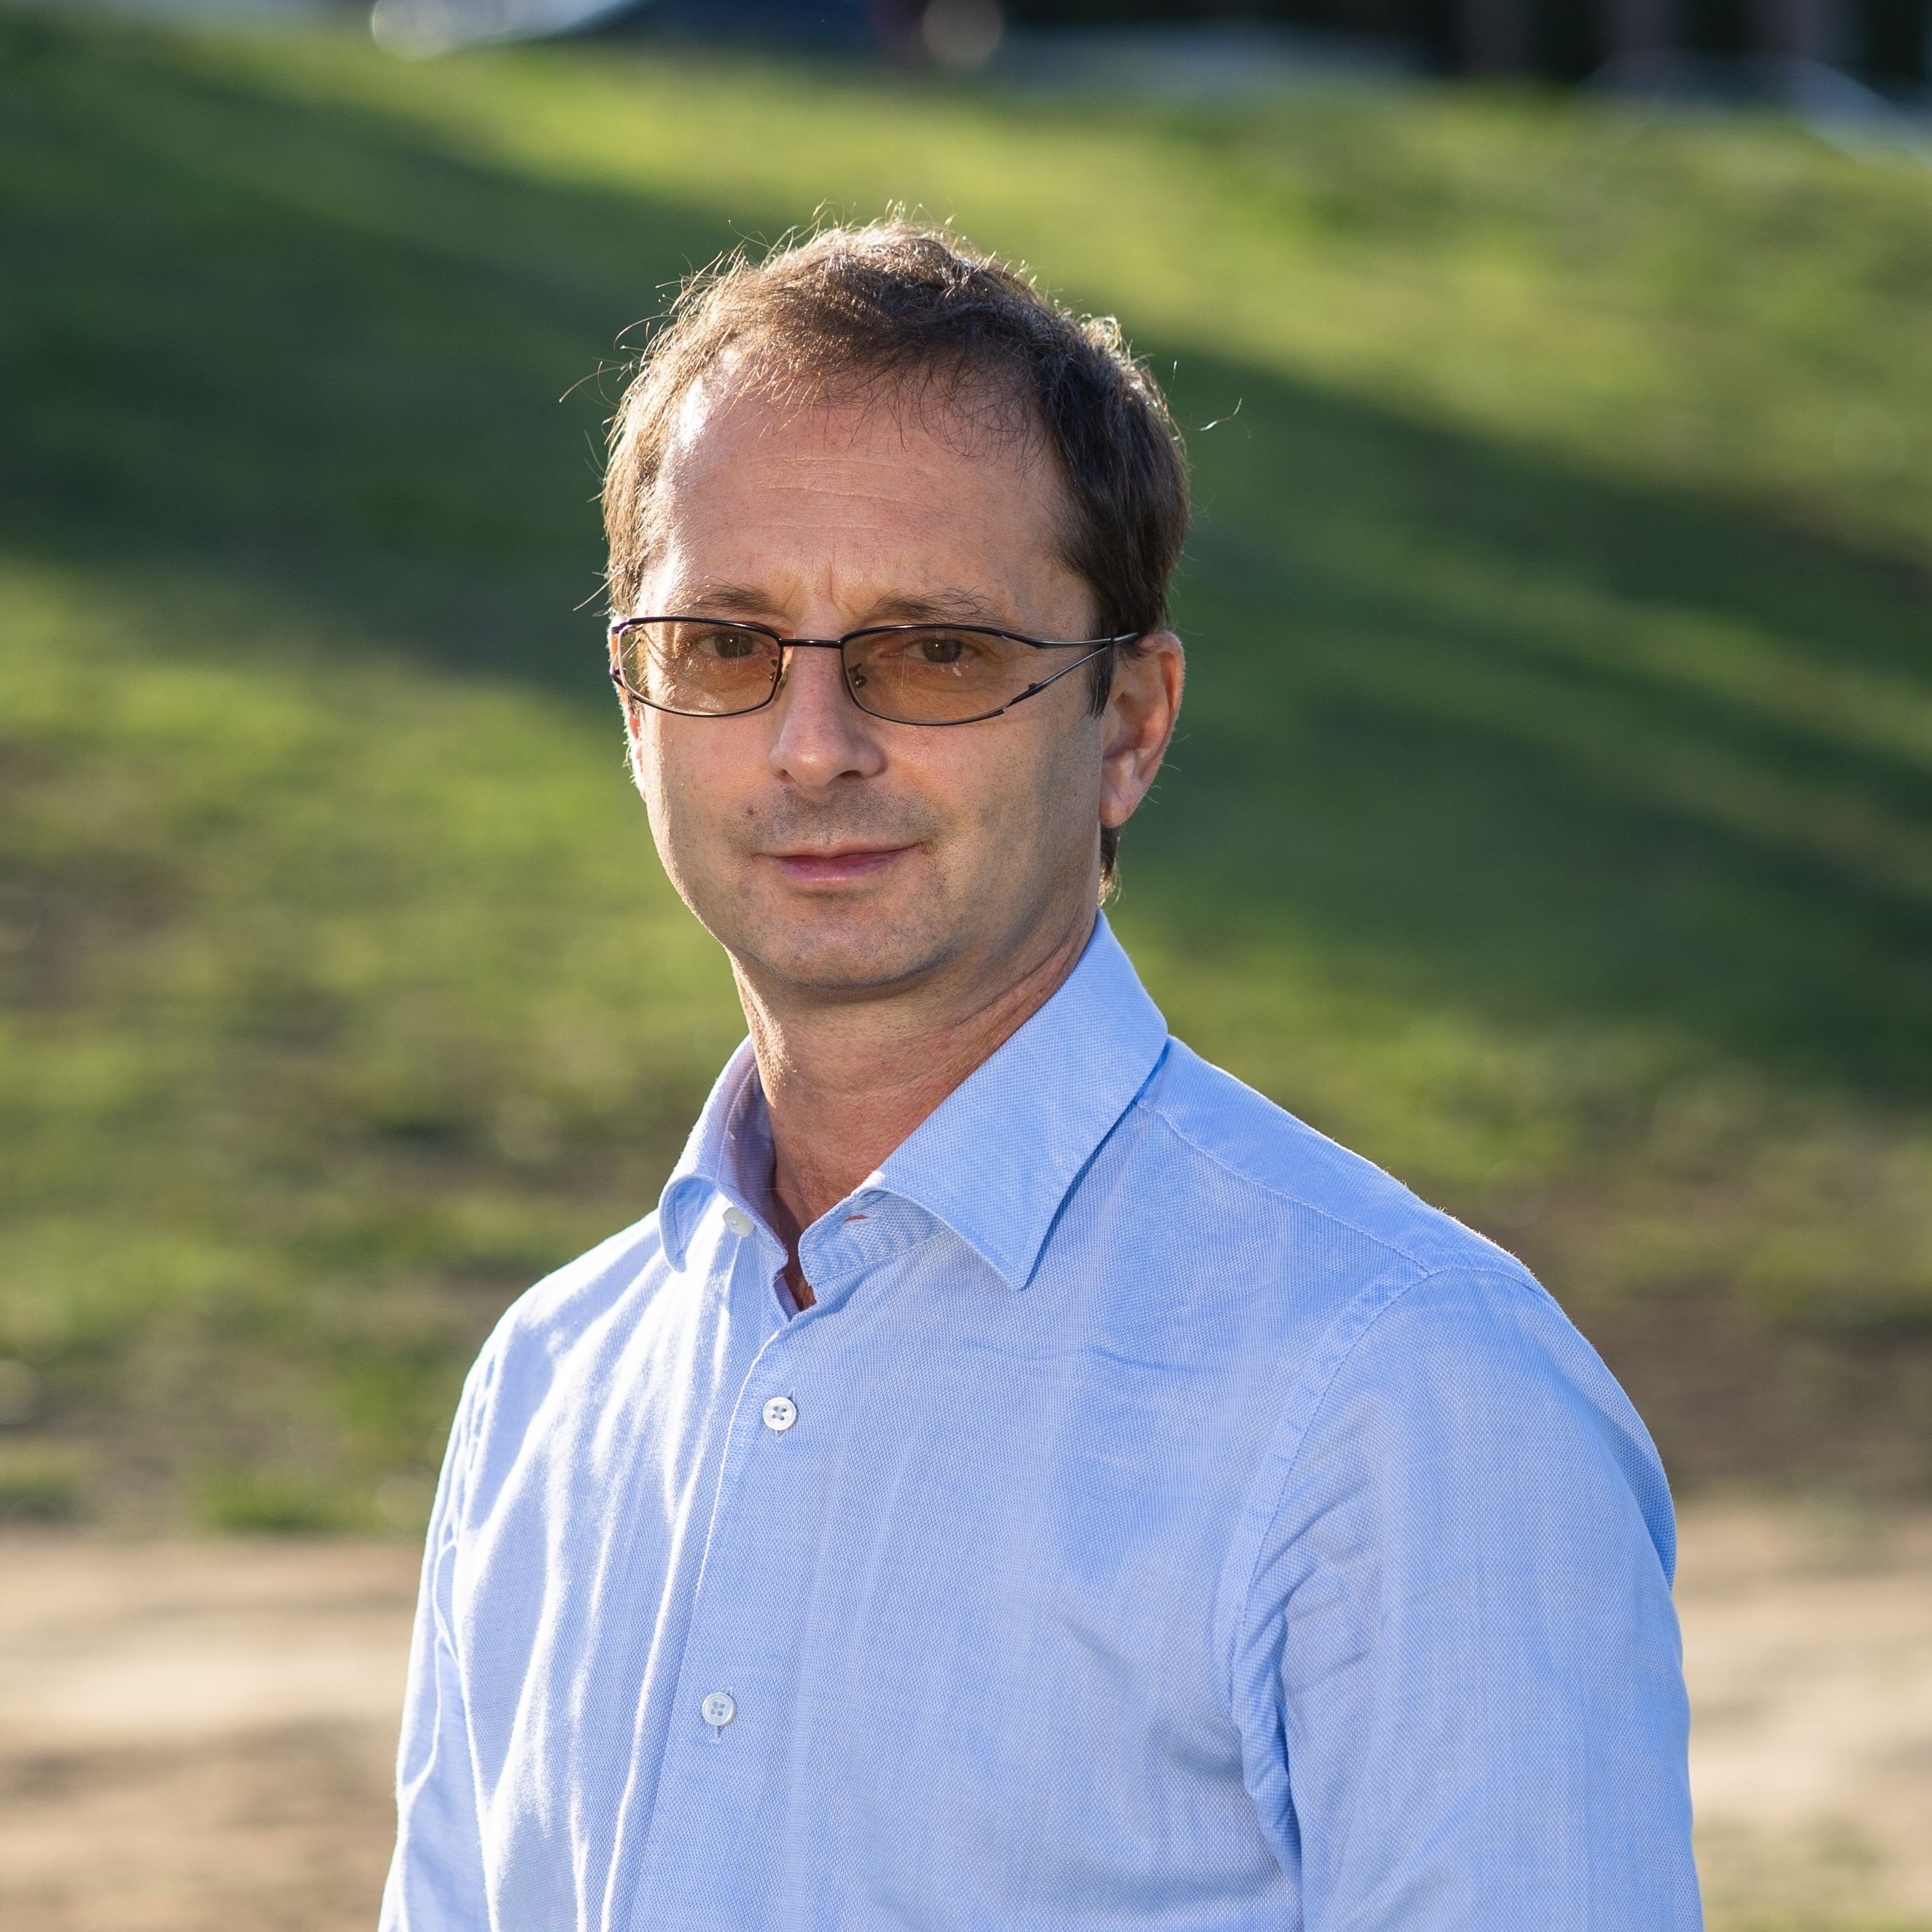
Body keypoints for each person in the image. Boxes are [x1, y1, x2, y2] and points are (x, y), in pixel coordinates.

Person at [381, 222, 1701, 1932]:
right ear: (636, 706)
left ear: (1130, 723)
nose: (812, 744)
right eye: (723, 643)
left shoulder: (1410, 1391)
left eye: (935, 650)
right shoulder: (549, 1385)